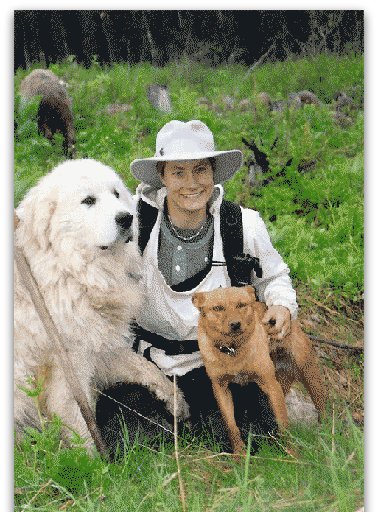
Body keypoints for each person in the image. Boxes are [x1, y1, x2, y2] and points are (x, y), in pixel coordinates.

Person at [96, 120, 298, 454]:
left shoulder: (240, 224)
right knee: (134, 441)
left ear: (214, 172)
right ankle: (163, 420)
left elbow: (275, 277)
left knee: (255, 439)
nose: (191, 183)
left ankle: (202, 419)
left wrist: (280, 305)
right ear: (162, 175)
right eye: (178, 172)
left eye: (200, 170)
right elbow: (84, 246)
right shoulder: (133, 222)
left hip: (221, 362)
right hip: (147, 363)